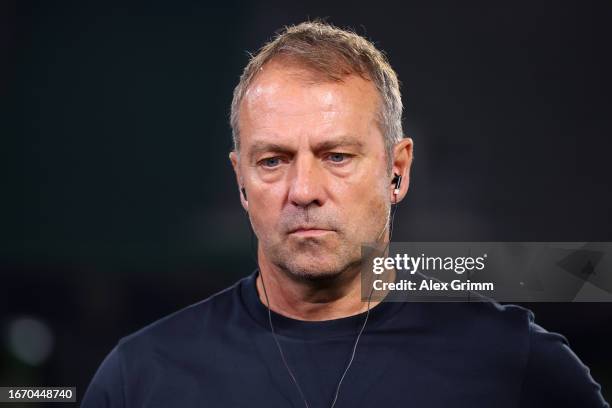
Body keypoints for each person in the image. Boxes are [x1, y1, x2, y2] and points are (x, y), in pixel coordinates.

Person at [82, 21, 609, 407]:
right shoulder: (142, 377)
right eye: (273, 161)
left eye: (337, 156)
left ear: (397, 170)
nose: (304, 190)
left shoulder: (508, 362)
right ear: (240, 180)